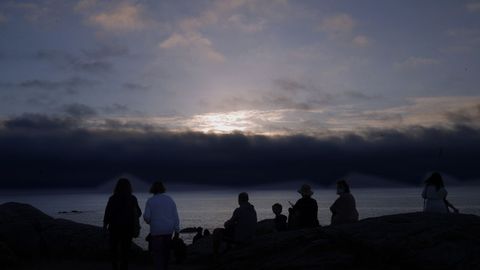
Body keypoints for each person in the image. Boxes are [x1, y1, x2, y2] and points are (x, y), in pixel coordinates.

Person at [103, 178, 142, 270]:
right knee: (125, 251)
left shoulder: (112, 198)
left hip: (114, 228)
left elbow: (107, 213)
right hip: (128, 229)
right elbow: (139, 213)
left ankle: (115, 267)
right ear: (129, 187)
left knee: (114, 250)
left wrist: (105, 226)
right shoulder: (132, 198)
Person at [144, 181, 180, 270]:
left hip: (156, 231)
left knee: (158, 255)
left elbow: (147, 217)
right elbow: (175, 216)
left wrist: (149, 222)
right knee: (166, 255)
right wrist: (177, 230)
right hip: (168, 230)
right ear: (163, 189)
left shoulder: (150, 201)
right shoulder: (169, 199)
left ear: (153, 189)